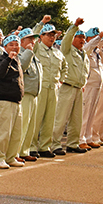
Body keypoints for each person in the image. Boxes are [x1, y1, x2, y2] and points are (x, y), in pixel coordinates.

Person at [52, 18, 89, 154]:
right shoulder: (67, 49)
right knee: (61, 118)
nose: (82, 40)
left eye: (83, 38)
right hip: (67, 87)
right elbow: (67, 38)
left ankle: (73, 143)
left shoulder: (83, 53)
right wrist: (74, 26)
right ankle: (55, 144)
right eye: (79, 37)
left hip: (78, 88)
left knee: (76, 119)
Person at [31, 17, 66, 158]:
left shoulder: (57, 52)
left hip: (53, 89)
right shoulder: (37, 48)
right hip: (40, 88)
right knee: (36, 119)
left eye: (54, 35)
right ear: (42, 36)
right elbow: (33, 36)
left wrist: (61, 80)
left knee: (50, 119)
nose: (52, 37)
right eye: (49, 35)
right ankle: (31, 146)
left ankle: (45, 146)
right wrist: (41, 23)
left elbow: (65, 67)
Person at [0, 34, 24, 169]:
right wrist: (9, 58)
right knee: (3, 132)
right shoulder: (0, 60)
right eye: (11, 44)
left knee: (16, 133)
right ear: (4, 46)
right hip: (5, 100)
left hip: (17, 101)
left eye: (17, 44)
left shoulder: (17, 60)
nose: (14, 47)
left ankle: (10, 157)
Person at [79, 28, 103, 150]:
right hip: (89, 85)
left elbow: (98, 45)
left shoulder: (96, 52)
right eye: (94, 37)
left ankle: (88, 137)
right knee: (85, 113)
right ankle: (80, 139)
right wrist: (98, 38)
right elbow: (90, 46)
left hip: (97, 86)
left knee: (92, 113)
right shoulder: (86, 49)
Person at [17, 28, 42, 162]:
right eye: (29, 39)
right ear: (22, 41)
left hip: (34, 94)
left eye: (34, 39)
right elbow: (23, 66)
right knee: (23, 124)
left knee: (31, 125)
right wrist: (29, 51)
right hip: (25, 94)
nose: (33, 41)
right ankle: (16, 152)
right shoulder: (22, 54)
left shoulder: (32, 55)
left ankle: (24, 150)